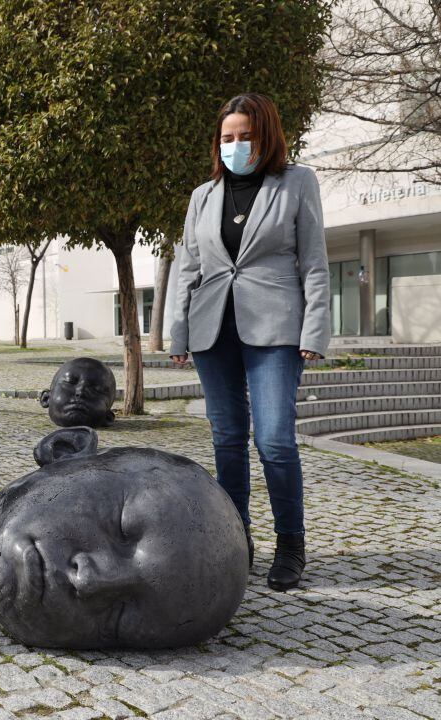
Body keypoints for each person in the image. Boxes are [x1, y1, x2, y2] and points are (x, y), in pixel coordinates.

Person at [170, 93, 330, 592]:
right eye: (228, 138)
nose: (237, 145)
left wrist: (315, 330)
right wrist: (179, 332)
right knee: (227, 440)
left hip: (276, 329)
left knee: (275, 440)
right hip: (213, 329)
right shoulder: (203, 195)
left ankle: (291, 544)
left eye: (246, 136)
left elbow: (315, 263)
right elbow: (188, 267)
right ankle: (235, 539)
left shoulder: (297, 183)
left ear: (267, 137)